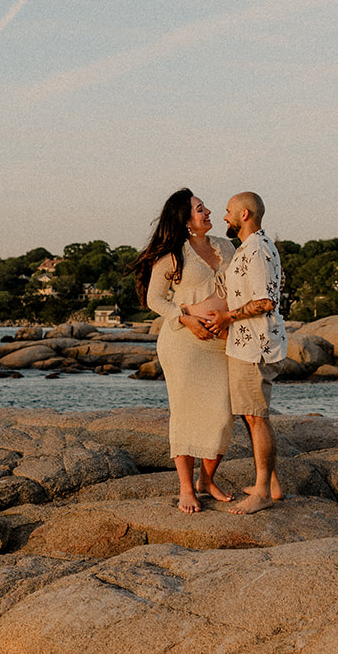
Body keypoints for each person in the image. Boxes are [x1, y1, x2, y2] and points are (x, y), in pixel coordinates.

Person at [136, 188, 236, 513]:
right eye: (199, 209)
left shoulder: (226, 247)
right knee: (186, 413)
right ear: (185, 219)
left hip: (221, 342)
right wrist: (187, 319)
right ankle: (185, 488)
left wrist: (230, 319)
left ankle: (206, 480)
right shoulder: (173, 256)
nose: (207, 212)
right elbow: (155, 300)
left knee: (223, 413)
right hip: (183, 344)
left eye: (205, 207)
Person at [207, 191, 286, 515]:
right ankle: (271, 485)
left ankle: (264, 492)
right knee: (250, 415)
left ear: (244, 214)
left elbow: (266, 301)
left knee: (256, 417)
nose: (224, 217)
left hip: (257, 345)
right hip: (247, 344)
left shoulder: (257, 249)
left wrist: (227, 317)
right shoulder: (250, 248)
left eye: (228, 212)